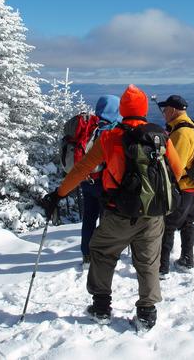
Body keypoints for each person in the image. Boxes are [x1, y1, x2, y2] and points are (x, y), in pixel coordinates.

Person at [42, 85, 182, 330]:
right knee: (148, 261)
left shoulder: (109, 137)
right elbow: (178, 171)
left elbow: (82, 169)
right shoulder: (161, 135)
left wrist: (58, 194)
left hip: (119, 212)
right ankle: (147, 313)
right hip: (153, 213)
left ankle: (101, 306)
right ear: (144, 110)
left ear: (123, 110)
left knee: (102, 252)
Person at [158, 94, 194, 276]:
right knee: (187, 223)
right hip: (190, 186)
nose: (163, 113)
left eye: (165, 109)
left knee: (168, 225)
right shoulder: (187, 126)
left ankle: (161, 267)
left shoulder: (182, 132)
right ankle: (186, 259)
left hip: (181, 187)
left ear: (173, 110)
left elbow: (177, 166)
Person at [80, 95, 120, 268]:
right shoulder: (112, 130)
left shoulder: (88, 126)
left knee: (88, 218)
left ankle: (87, 255)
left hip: (85, 180)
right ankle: (103, 254)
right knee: (107, 219)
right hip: (104, 183)